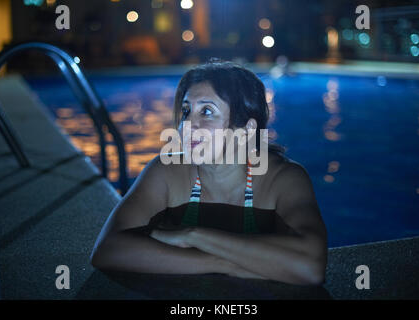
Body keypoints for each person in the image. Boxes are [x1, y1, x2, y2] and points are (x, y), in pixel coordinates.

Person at [90, 61, 327, 285]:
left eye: (206, 112)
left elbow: (311, 267)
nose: (187, 125)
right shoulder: (165, 172)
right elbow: (108, 249)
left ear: (247, 129)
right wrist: (221, 263)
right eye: (186, 111)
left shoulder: (283, 180)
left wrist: (193, 236)